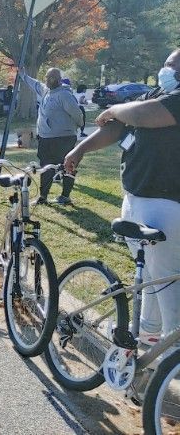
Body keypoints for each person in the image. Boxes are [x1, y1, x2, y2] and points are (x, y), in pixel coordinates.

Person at [64, 48, 180, 346]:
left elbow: (144, 114)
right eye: (166, 63)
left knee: (166, 282)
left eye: (172, 66)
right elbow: (117, 128)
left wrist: (116, 109)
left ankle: (169, 359)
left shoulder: (170, 102)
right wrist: (80, 150)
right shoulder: (158, 93)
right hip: (138, 198)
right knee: (152, 273)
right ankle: (148, 335)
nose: (166, 70)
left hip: (166, 204)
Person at [19, 67, 84, 205]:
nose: (49, 80)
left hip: (63, 138)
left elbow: (77, 114)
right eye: (47, 77)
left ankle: (65, 196)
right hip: (45, 138)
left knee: (68, 165)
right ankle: (43, 197)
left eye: (52, 77)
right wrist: (23, 75)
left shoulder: (65, 95)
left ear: (59, 80)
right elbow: (35, 84)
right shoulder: (45, 91)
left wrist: (76, 127)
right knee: (46, 167)